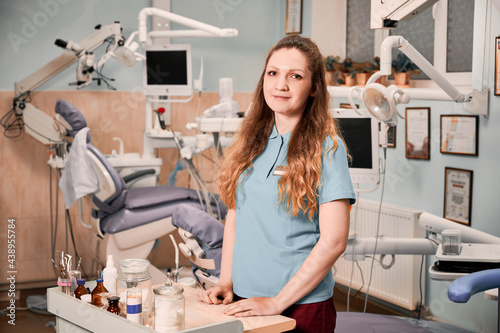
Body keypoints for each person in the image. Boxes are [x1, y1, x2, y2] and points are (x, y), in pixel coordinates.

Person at [198, 34, 356, 332]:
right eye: (273, 73)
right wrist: (226, 281)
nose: (280, 85)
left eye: (295, 76)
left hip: (301, 305)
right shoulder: (251, 142)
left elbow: (334, 241)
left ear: (313, 88)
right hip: (245, 299)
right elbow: (235, 216)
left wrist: (276, 302)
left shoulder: (326, 147)